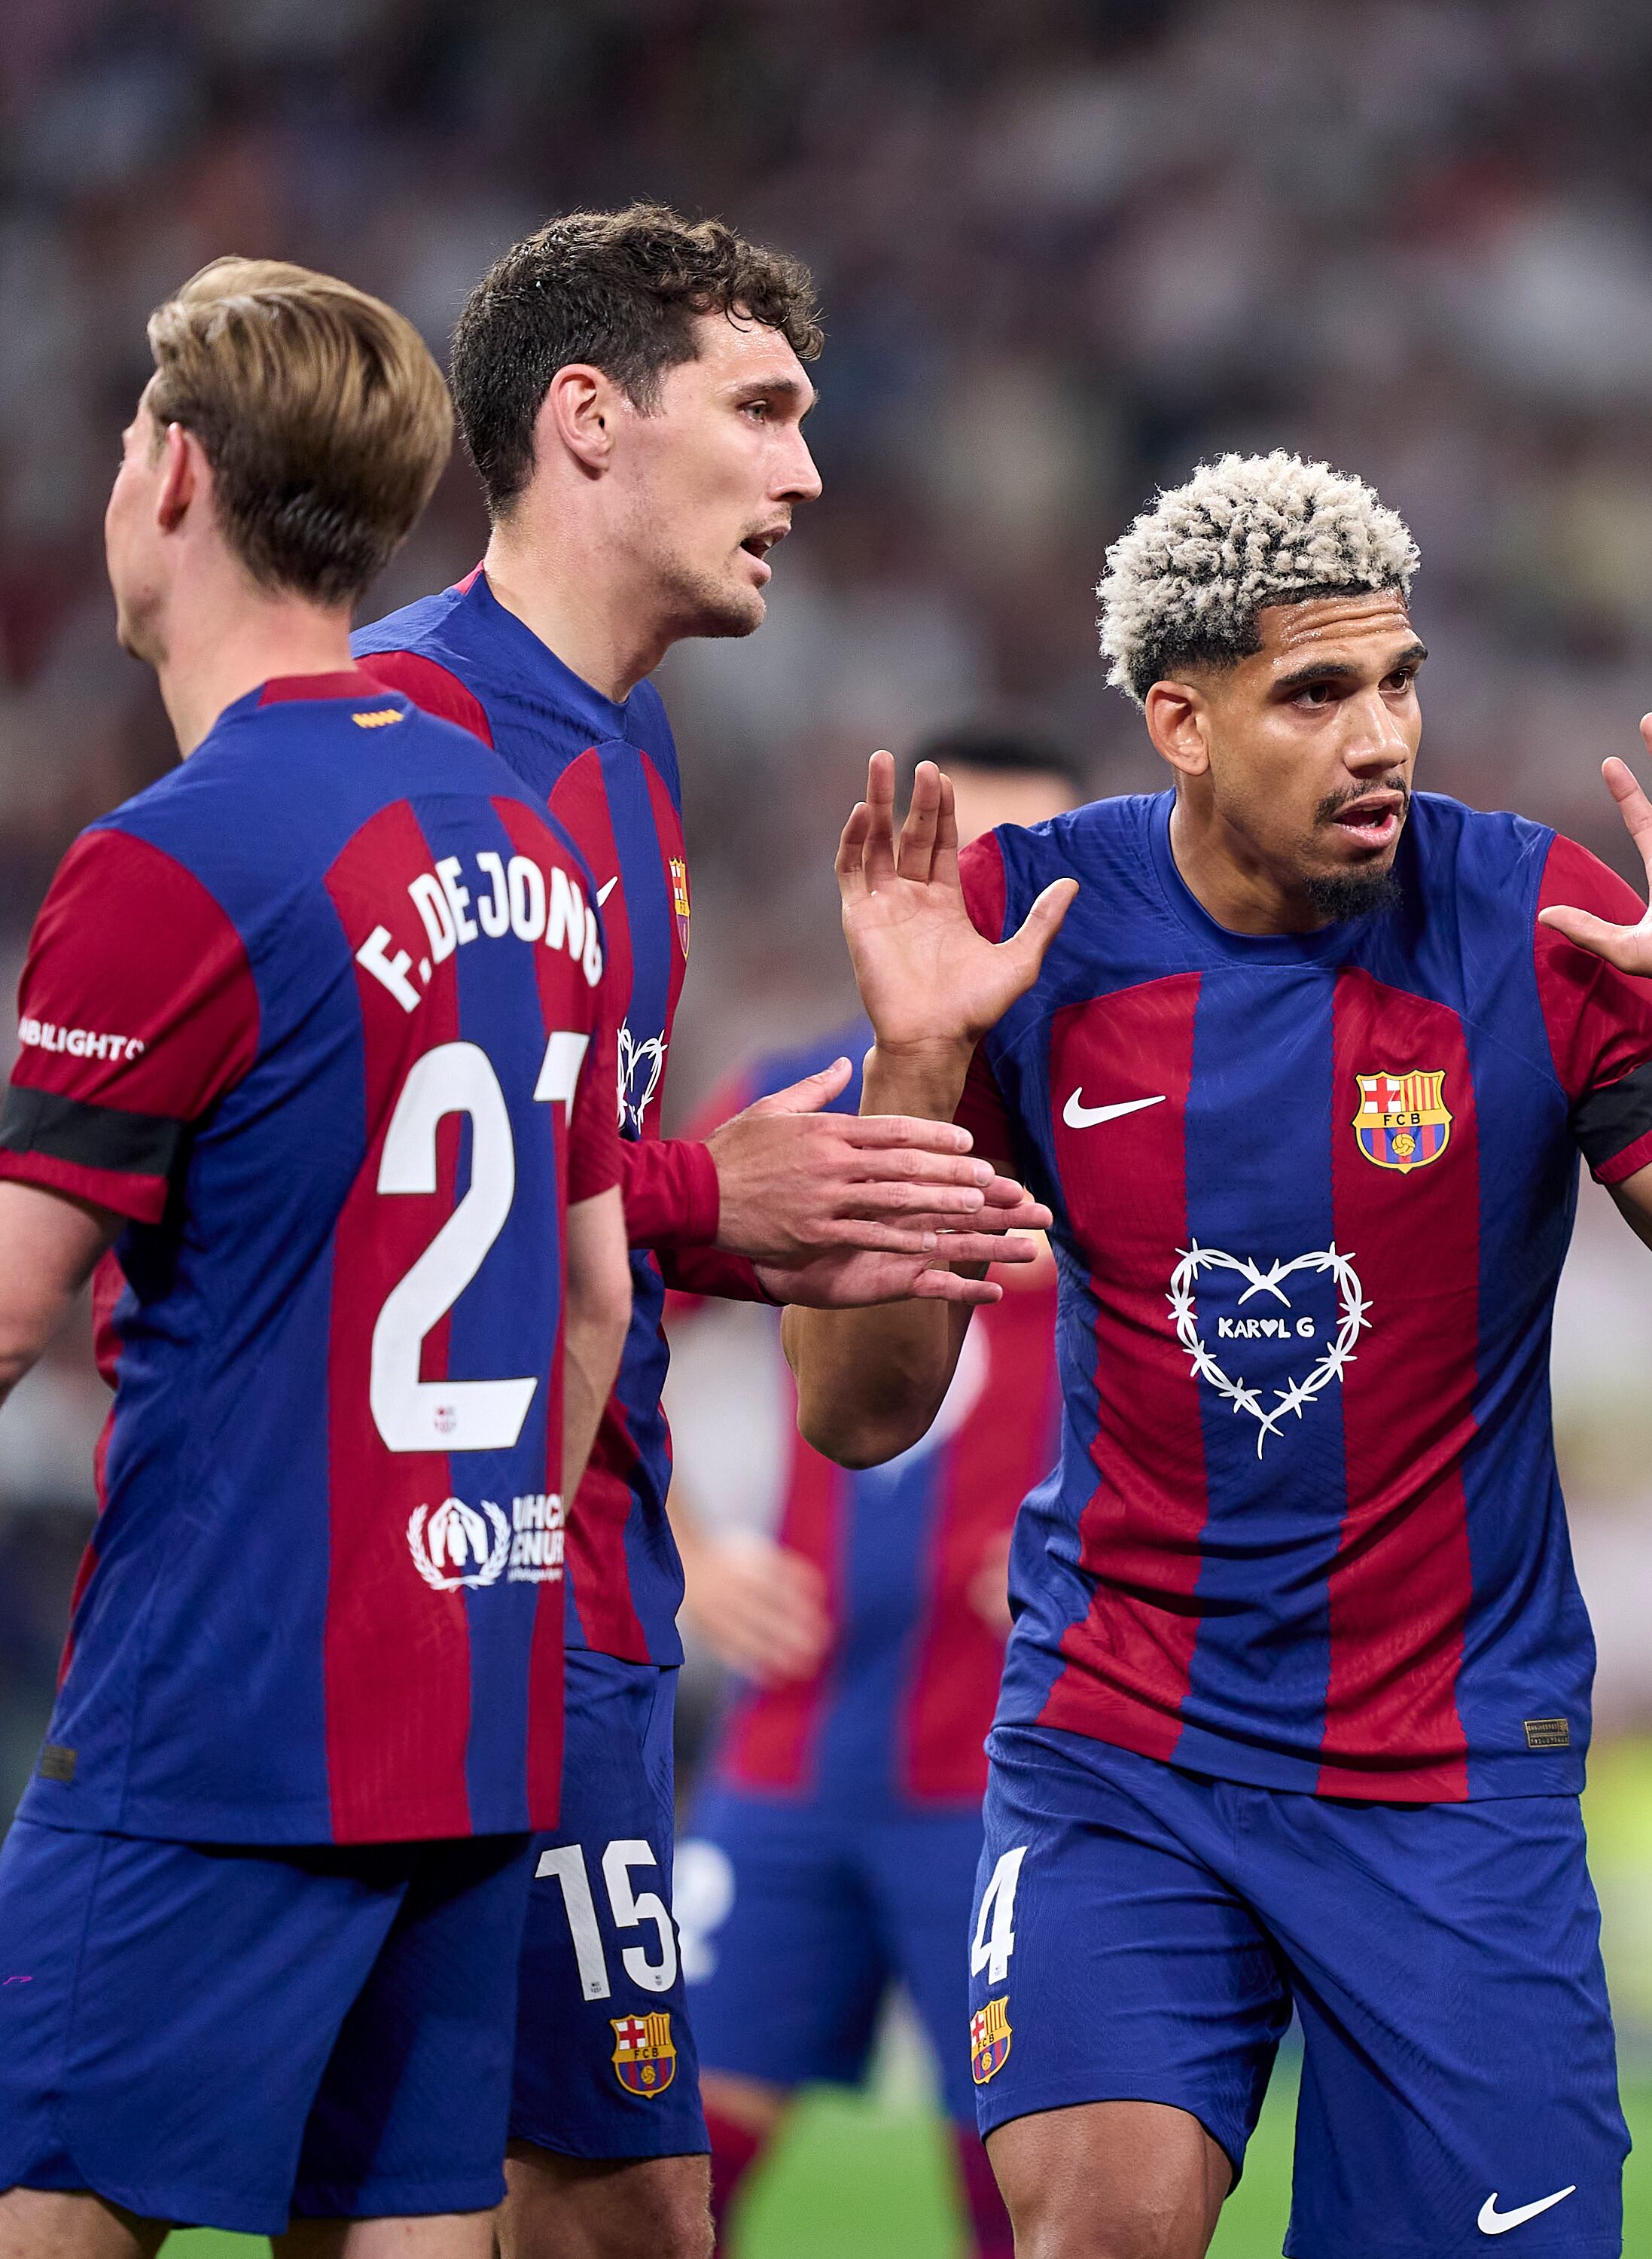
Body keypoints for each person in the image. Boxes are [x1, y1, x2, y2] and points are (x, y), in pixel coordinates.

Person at [782, 450, 1652, 2259]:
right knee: (1101, 2227)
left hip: (1450, 1760)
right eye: (1316, 693)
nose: (1383, 734)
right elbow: (860, 1413)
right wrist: (912, 1072)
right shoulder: (1027, 930)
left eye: (1400, 681)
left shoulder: (1534, 925)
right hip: (1122, 1735)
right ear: (1183, 720)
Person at [353, 206, 1045, 2259]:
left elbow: (555, 1196)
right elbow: (361, 1177)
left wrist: (744, 1244)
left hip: (608, 1625)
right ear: (587, 421)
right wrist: (703, 1203)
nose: (808, 473)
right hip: (441, 1615)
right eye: (760, 412)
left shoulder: (623, 755)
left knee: (625, 2203)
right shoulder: (398, 734)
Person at [0, 260, 635, 2254]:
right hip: (468, 1704)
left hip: (220, 1717)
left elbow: (9, 1305)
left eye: (123, 442)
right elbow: (597, 1297)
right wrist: (469, 1565)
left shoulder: (173, 858)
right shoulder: (537, 834)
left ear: (170, 475)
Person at [670, 727, 1090, 2257]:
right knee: (653, 2186)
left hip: (1030, 1750)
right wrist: (688, 1553)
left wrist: (1114, 1538)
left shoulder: (1145, 1107)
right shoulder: (798, 1094)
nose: (979, 898)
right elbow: (590, 1312)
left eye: (1021, 864)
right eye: (954, 857)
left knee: (1037, 2201)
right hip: (795, 1744)